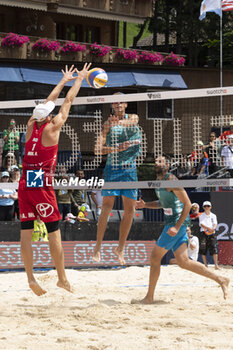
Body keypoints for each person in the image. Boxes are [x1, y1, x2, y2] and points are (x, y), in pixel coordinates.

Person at [18, 63, 91, 296]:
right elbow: (67, 101)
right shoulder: (53, 127)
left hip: (25, 180)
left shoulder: (30, 125)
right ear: (48, 116)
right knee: (54, 232)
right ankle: (62, 278)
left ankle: (30, 278)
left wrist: (62, 81)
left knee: (26, 232)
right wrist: (78, 79)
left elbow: (48, 103)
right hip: (40, 181)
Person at [131, 156, 229, 304]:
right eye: (156, 161)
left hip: (176, 224)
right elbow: (162, 203)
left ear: (167, 165)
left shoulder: (171, 179)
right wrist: (145, 205)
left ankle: (149, 297)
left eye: (160, 161)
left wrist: (177, 227)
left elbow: (188, 204)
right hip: (173, 223)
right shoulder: (159, 182)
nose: (157, 163)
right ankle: (221, 279)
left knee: (155, 257)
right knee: (183, 262)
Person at [93, 93, 141, 264]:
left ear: (126, 104)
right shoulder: (107, 124)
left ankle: (120, 249)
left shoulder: (133, 117)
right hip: (113, 168)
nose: (119, 104)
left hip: (130, 170)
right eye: (115, 102)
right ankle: (98, 247)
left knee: (131, 210)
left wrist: (118, 122)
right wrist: (116, 148)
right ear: (112, 105)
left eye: (121, 101)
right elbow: (97, 150)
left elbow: (132, 122)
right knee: (106, 207)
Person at [199, 201, 219, 270]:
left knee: (214, 248)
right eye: (205, 206)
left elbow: (215, 223)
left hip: (212, 233)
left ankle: (216, 265)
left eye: (208, 206)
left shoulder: (213, 215)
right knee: (203, 249)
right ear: (203, 207)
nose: (206, 207)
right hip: (203, 233)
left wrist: (213, 229)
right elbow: (201, 224)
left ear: (210, 207)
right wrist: (208, 228)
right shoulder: (201, 215)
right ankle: (205, 265)